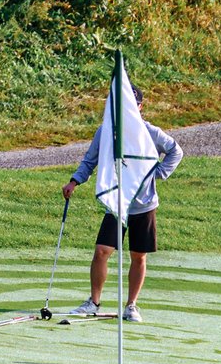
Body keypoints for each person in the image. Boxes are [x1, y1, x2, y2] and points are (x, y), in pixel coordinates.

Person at [62, 85, 183, 322]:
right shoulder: (106, 132)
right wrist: (74, 181)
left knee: (138, 256)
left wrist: (158, 173)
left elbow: (175, 151)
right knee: (102, 251)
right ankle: (93, 302)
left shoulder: (149, 132)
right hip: (117, 202)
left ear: (139, 107)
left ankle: (131, 306)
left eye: (131, 105)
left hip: (144, 204)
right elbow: (90, 160)